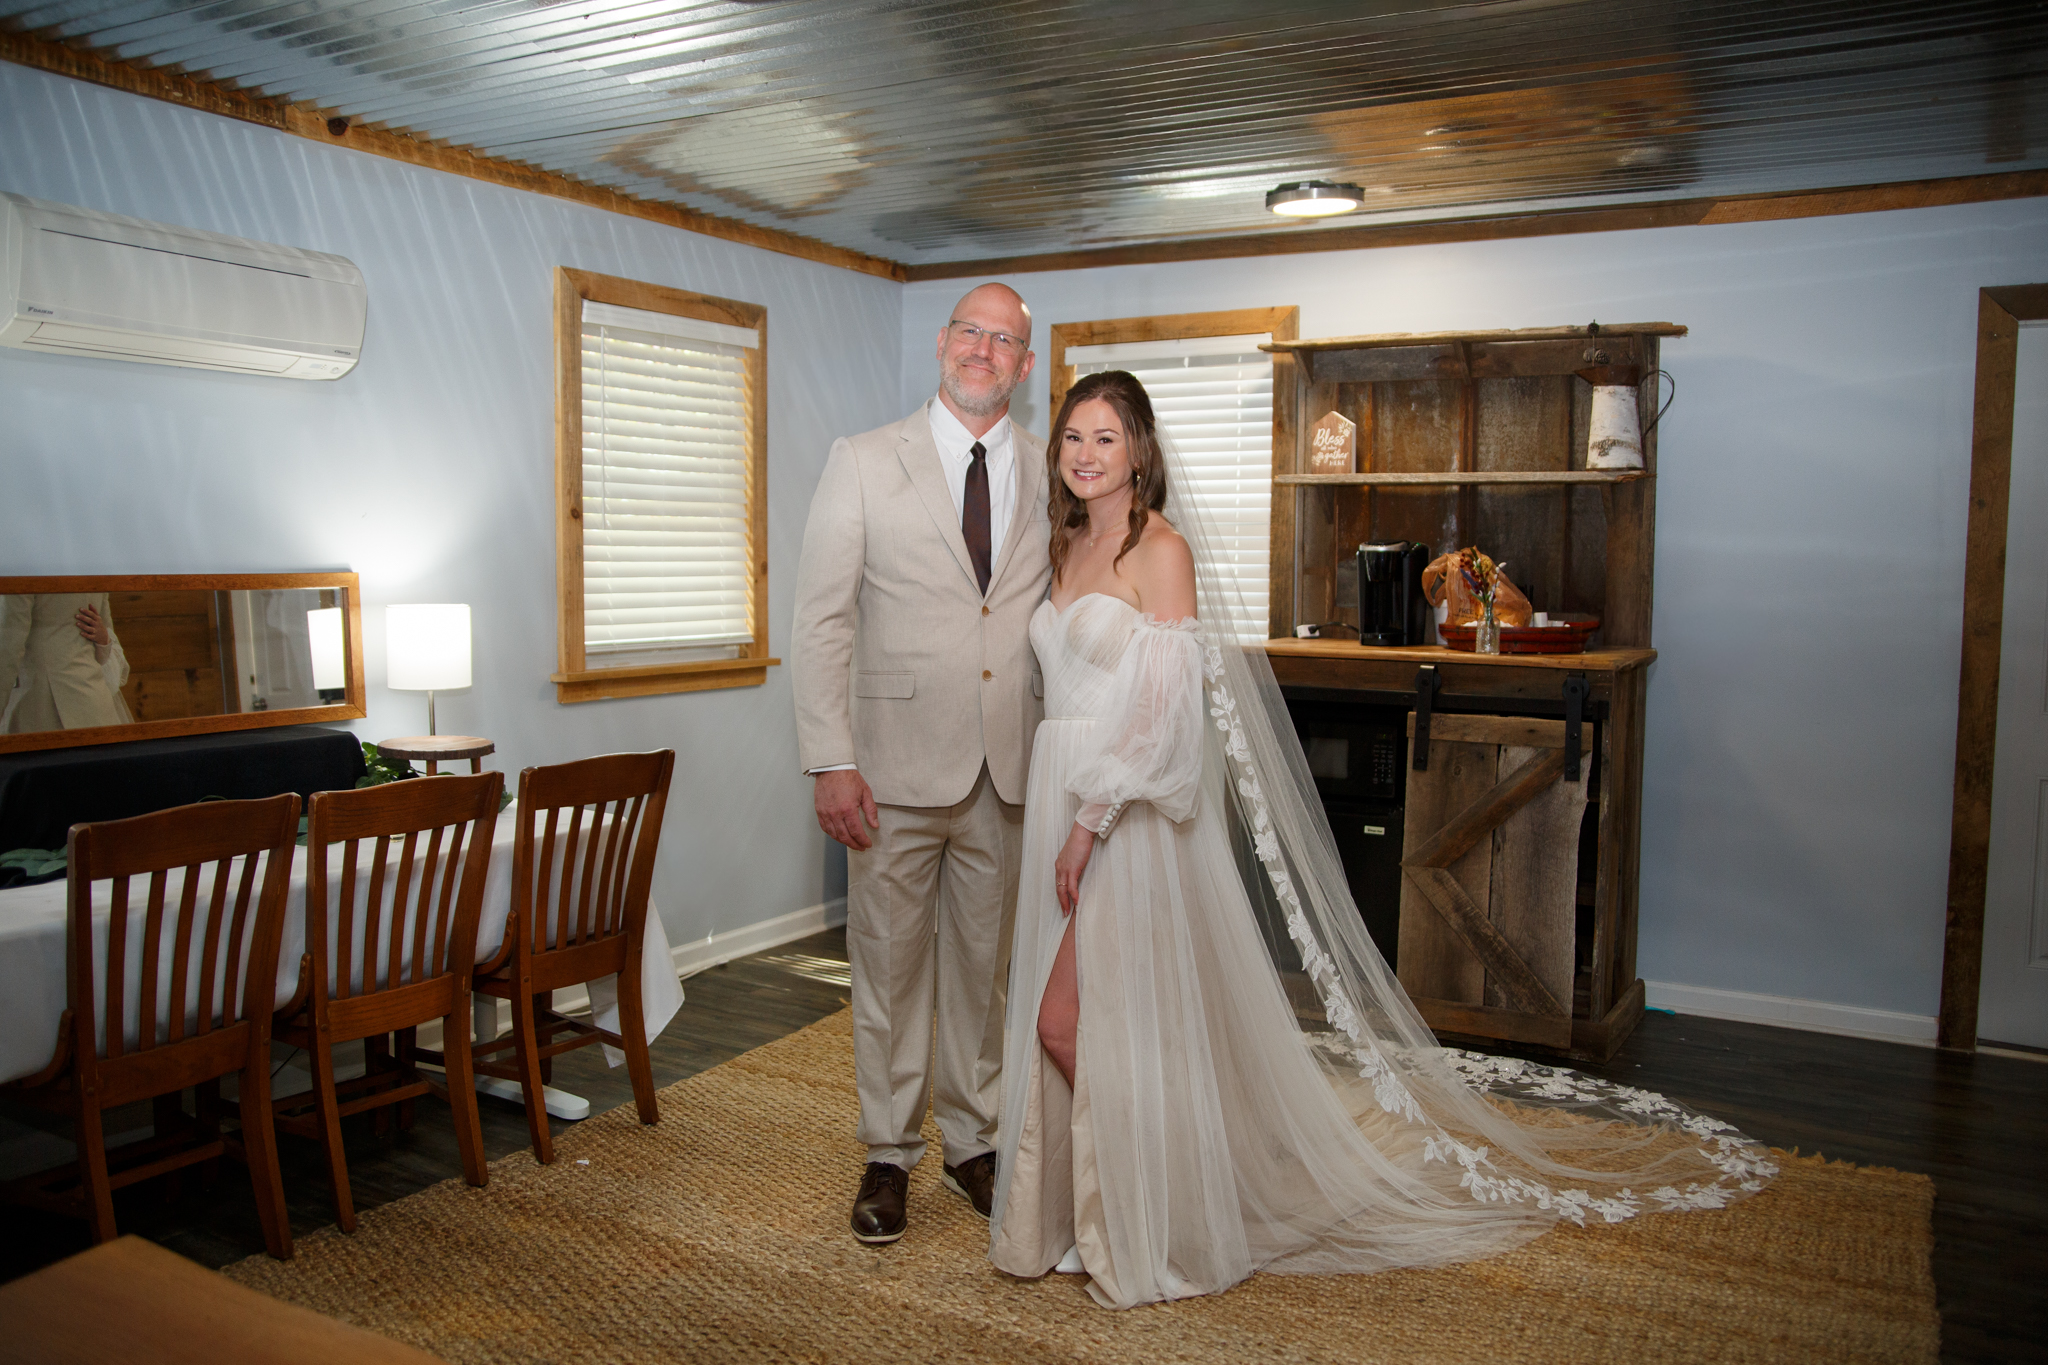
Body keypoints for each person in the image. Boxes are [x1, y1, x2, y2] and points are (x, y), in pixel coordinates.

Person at [989, 370, 1776, 1309]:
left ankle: (1164, 1200)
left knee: (1069, 1022)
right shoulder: (1065, 542)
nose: (1085, 455)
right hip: (1061, 792)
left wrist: (1088, 826)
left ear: (1140, 451)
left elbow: (1162, 719)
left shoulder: (1160, 551)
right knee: (1096, 1018)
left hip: (1118, 816)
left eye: (1106, 438)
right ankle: (1100, 1208)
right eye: (1073, 437)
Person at [792, 283, 1054, 1245]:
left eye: (1004, 339)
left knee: (986, 972)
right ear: (943, 343)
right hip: (889, 770)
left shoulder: (1050, 470)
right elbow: (822, 619)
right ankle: (888, 1151)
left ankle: (972, 1140)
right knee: (890, 967)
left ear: (1026, 364)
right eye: (970, 332)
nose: (984, 349)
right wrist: (830, 758)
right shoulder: (863, 460)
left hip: (1009, 765)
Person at [0, 593, 134, 733]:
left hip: (43, 705)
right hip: (93, 700)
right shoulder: (95, 578)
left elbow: (7, 648)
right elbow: (105, 645)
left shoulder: (18, 578)